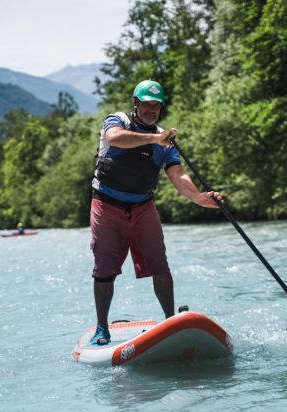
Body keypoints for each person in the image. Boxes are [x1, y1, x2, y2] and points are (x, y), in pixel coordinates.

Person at [88, 79, 222, 345]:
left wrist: (197, 197)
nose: (151, 111)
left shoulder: (165, 141)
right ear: (135, 103)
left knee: (160, 265)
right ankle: (102, 327)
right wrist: (155, 138)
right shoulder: (118, 121)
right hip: (106, 204)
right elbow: (115, 138)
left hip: (142, 208)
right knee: (105, 268)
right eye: (146, 105)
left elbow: (177, 174)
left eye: (156, 107)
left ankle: (171, 322)